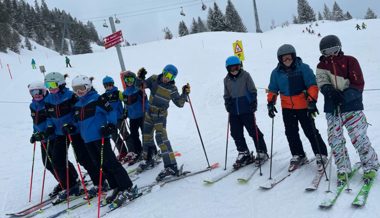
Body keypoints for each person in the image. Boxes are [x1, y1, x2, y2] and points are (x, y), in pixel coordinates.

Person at [316, 35, 379, 184]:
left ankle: (370, 164)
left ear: (339, 48)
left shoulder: (350, 61)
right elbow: (321, 82)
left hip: (352, 106)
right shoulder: (321, 66)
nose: (331, 54)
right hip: (332, 109)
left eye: (334, 50)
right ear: (323, 53)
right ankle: (343, 168)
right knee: (335, 139)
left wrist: (344, 96)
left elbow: (358, 84)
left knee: (359, 137)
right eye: (327, 51)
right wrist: (329, 91)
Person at [71, 75, 137, 208]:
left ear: (88, 86)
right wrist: (72, 127)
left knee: (110, 162)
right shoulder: (77, 105)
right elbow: (79, 122)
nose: (79, 92)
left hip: (100, 137)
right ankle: (115, 186)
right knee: (100, 165)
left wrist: (111, 125)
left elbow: (110, 111)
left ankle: (127, 186)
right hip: (87, 140)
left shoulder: (97, 99)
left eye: (82, 88)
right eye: (76, 89)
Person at [267, 44, 328, 172]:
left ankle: (321, 154)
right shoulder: (276, 72)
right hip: (287, 107)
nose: (287, 61)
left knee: (310, 130)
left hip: (303, 106)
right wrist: (271, 103)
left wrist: (312, 102)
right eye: (284, 59)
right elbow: (273, 89)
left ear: (294, 57)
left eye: (289, 58)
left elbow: (312, 85)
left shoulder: (303, 68)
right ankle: (298, 155)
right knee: (290, 132)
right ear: (280, 60)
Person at [43, 72, 101, 203]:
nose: (50, 88)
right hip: (59, 133)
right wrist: (50, 126)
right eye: (48, 85)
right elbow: (48, 117)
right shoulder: (48, 100)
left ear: (61, 84)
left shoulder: (71, 96)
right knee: (57, 161)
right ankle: (71, 186)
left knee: (84, 158)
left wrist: (72, 125)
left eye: (53, 84)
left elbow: (80, 112)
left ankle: (100, 182)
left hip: (75, 132)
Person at [136, 64, 190, 181]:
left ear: (173, 77)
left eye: (170, 76)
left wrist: (184, 93)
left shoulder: (172, 89)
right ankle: (149, 158)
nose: (167, 78)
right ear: (163, 72)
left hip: (160, 115)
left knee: (161, 138)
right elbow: (140, 86)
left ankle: (171, 166)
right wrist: (140, 78)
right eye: (166, 74)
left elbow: (180, 104)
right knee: (146, 135)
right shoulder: (154, 79)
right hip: (149, 112)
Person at [223, 56, 269, 169]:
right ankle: (244, 153)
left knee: (253, 130)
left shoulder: (246, 76)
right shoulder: (226, 79)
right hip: (234, 111)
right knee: (235, 132)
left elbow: (253, 90)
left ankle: (262, 151)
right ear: (228, 69)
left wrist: (253, 102)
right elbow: (226, 94)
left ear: (240, 66)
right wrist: (227, 103)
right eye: (231, 69)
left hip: (246, 109)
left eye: (236, 68)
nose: (234, 70)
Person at [28, 81, 62, 197]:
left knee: (58, 161)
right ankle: (62, 181)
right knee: (48, 163)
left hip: (52, 136)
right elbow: (35, 122)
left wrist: (47, 131)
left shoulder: (48, 102)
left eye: (39, 92)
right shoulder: (32, 106)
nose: (36, 94)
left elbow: (50, 119)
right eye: (33, 92)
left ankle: (70, 179)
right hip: (43, 138)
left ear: (44, 91)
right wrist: (35, 133)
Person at [120, 71, 149, 164]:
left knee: (145, 134)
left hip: (141, 116)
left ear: (134, 79)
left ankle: (150, 151)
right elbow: (126, 105)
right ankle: (139, 152)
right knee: (134, 136)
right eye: (127, 80)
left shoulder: (138, 89)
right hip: (132, 118)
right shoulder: (124, 92)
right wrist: (125, 112)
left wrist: (148, 111)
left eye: (131, 79)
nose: (129, 81)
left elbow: (146, 102)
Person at [101, 76, 130, 162]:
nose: (109, 87)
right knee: (114, 137)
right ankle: (123, 153)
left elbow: (126, 101)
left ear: (113, 84)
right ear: (104, 86)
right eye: (106, 85)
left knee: (125, 135)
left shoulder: (118, 93)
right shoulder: (103, 96)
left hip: (119, 118)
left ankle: (132, 151)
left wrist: (125, 111)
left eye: (110, 84)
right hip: (110, 121)